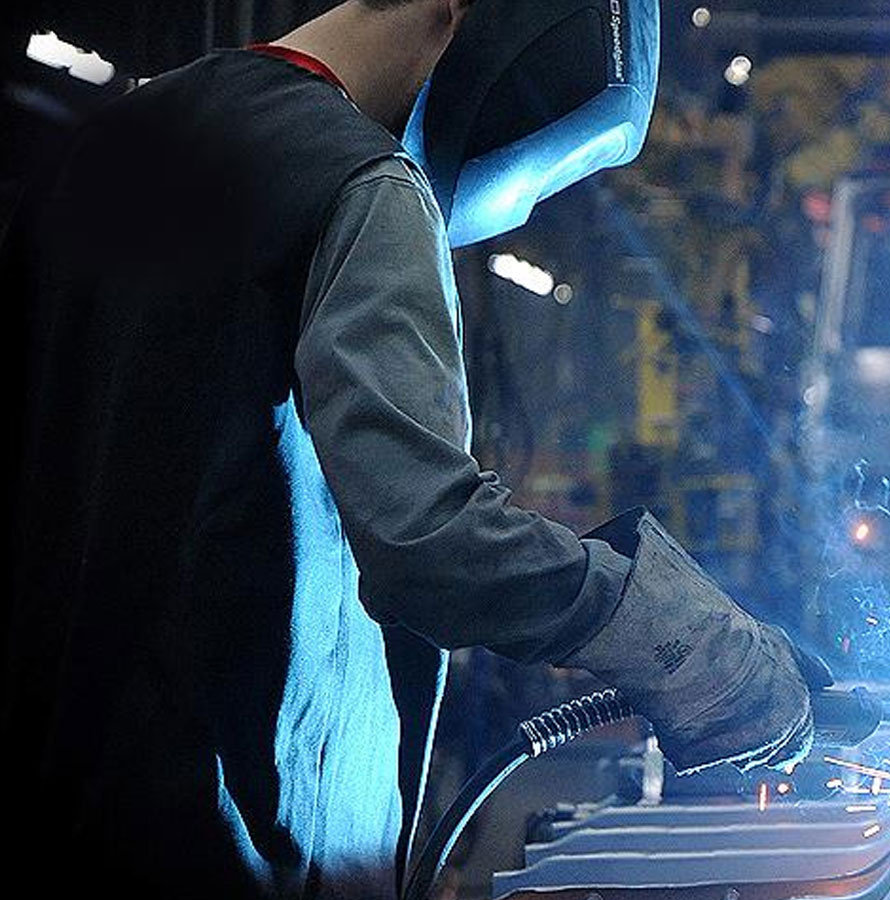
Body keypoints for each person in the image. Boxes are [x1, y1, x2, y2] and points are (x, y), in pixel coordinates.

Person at [1, 1, 816, 897]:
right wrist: (689, 642)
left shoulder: (103, 145)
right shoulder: (363, 184)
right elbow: (430, 544)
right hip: (245, 858)